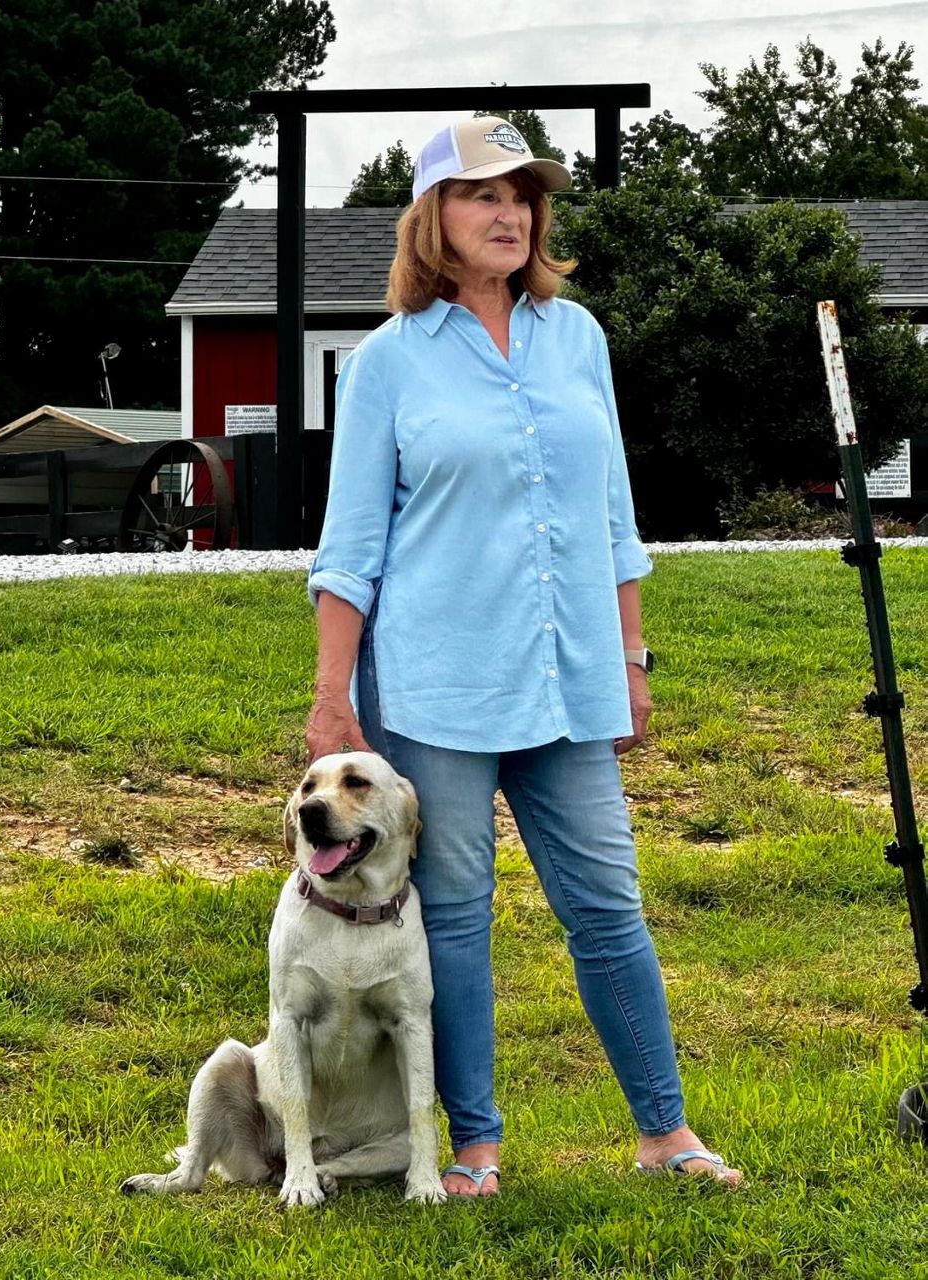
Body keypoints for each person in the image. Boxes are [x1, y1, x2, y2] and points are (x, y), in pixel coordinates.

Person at [305, 115, 742, 1196]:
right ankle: (474, 1146)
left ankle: (662, 1130)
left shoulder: (576, 335)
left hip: (569, 679)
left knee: (607, 904)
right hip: (436, 685)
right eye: (481, 195)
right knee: (455, 916)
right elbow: (350, 549)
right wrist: (330, 697)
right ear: (431, 218)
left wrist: (632, 657)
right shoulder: (388, 366)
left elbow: (612, 513)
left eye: (523, 196)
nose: (509, 213)